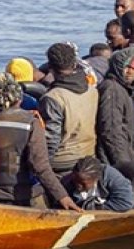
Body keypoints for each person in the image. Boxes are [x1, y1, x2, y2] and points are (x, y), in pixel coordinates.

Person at [0, 73, 81, 211]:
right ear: (19, 98)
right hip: (26, 194)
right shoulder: (30, 122)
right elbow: (40, 166)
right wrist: (62, 196)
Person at [38, 42, 99, 175]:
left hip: (63, 160)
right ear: (74, 64)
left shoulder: (53, 98)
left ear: (51, 67)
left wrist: (40, 169)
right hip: (88, 153)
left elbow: (51, 140)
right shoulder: (91, 89)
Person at [95, 47, 134, 167]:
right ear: (117, 66)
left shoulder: (122, 89)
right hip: (111, 159)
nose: (130, 72)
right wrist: (124, 164)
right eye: (127, 67)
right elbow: (111, 130)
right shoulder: (113, 89)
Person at [60, 156, 134, 212]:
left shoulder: (111, 176)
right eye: (75, 181)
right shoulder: (66, 182)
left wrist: (93, 207)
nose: (78, 186)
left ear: (96, 179)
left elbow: (126, 202)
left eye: (83, 183)